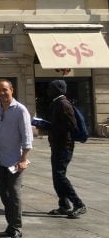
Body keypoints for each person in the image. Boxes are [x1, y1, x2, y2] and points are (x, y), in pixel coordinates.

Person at [0, 79, 33, 238]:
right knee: (5, 195)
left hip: (14, 159)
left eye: (4, 90)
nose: (1, 93)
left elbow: (27, 136)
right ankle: (10, 226)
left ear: (12, 90)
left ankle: (17, 228)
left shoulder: (20, 110)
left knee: (14, 194)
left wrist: (24, 159)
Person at [45, 79, 86, 219]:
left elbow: (71, 126)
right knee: (57, 176)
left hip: (64, 145)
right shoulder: (57, 103)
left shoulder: (63, 104)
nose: (48, 90)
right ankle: (64, 204)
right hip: (57, 144)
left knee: (60, 176)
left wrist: (50, 126)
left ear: (57, 89)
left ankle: (78, 204)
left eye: (51, 88)